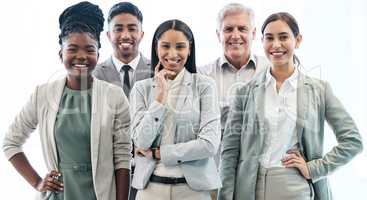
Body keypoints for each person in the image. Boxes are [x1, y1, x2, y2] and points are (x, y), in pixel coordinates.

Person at [219, 12, 363, 200]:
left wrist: (314, 168)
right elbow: (229, 154)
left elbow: (353, 141)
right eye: (269, 38)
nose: (276, 44)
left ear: (298, 40)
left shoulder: (320, 90)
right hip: (249, 189)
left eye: (283, 37)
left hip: (294, 187)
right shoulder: (244, 93)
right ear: (262, 42)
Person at [2, 2, 131, 200]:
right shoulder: (42, 95)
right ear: (61, 54)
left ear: (98, 54)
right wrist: (37, 182)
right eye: (73, 49)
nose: (82, 56)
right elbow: (11, 143)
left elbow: (122, 157)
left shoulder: (114, 96)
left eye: (89, 49)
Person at [129, 19, 221, 200]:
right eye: (165, 46)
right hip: (151, 190)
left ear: (189, 48)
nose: (172, 54)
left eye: (180, 47)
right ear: (156, 48)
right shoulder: (142, 88)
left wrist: (159, 153)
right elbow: (141, 139)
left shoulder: (204, 85)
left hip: (192, 191)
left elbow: (209, 144)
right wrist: (160, 97)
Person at [198, 3, 268, 135]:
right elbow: (200, 123)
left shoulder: (270, 69)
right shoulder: (202, 75)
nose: (235, 35)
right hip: (218, 154)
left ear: (253, 34)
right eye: (228, 29)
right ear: (219, 35)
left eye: (242, 29)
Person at [94, 2, 152, 98]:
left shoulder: (156, 71)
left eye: (132, 29)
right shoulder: (95, 74)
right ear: (108, 35)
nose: (125, 36)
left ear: (141, 35)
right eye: (119, 29)